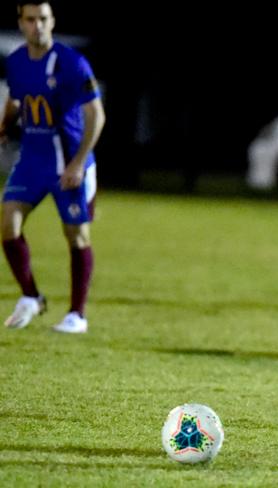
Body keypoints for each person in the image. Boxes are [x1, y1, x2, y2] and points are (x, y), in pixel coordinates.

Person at [0, 1, 105, 333]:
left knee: (76, 236)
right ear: (21, 23)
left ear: (52, 21)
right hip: (33, 159)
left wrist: (77, 163)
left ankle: (78, 315)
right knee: (8, 225)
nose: (38, 26)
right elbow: (17, 98)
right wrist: (5, 124)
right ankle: (31, 297)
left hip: (67, 162)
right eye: (31, 20)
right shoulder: (16, 62)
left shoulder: (72, 63)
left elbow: (96, 115)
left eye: (43, 19)